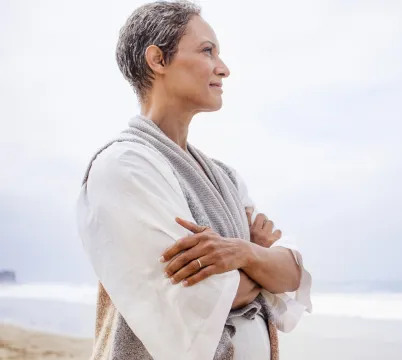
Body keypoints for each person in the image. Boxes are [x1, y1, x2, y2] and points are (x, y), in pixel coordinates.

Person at [76, 1, 312, 359]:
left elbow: (293, 273)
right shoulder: (123, 167)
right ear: (158, 60)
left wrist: (242, 252)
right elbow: (194, 297)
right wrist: (262, 268)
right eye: (207, 51)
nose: (224, 68)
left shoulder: (226, 178)